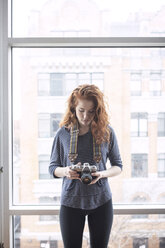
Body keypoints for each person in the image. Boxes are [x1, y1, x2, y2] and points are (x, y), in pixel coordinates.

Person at [49, 84, 123, 248]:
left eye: (91, 111)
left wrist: (102, 174)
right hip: (70, 202)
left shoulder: (107, 132)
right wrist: (67, 171)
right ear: (73, 107)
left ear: (97, 111)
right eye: (81, 110)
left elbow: (118, 166)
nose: (85, 116)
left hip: (101, 200)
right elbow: (53, 168)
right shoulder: (63, 133)